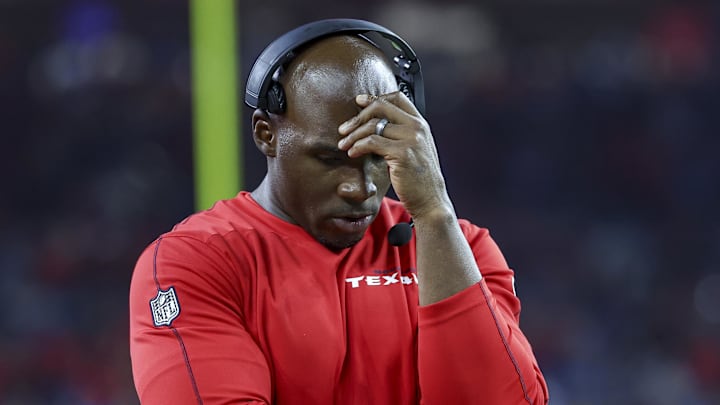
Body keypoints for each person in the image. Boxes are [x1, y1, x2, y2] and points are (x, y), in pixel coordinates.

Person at [129, 19, 549, 405]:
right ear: (265, 134)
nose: (360, 187)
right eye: (330, 159)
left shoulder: (463, 247)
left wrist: (434, 212)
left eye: (379, 158)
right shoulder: (193, 263)